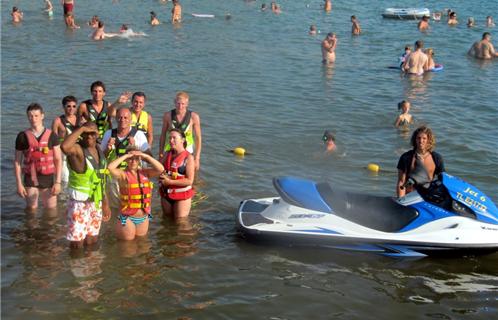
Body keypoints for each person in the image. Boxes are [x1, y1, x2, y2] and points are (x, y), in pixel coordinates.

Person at [61, 122, 111, 249]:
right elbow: (64, 147)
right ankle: (76, 266)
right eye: (86, 134)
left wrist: (105, 203)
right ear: (81, 135)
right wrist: (82, 128)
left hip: (95, 203)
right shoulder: (78, 149)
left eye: (92, 133)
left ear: (97, 134)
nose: (89, 136)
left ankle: (91, 267)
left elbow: (100, 179)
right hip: (79, 204)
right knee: (77, 243)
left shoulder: (99, 150)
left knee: (92, 241)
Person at [107, 148, 164, 240]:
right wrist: (126, 156)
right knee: (129, 249)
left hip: (143, 217)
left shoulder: (145, 173)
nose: (133, 161)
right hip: (127, 218)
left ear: (139, 160)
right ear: (126, 160)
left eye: (136, 159)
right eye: (130, 159)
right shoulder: (122, 174)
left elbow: (161, 169)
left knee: (142, 245)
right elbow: (110, 168)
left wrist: (145, 156)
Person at [14, 103, 62, 211]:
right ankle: (31, 228)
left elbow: (58, 160)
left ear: (42, 116)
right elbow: (17, 162)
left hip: (48, 177)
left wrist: (58, 182)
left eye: (36, 115)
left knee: (51, 210)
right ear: (27, 117)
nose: (33, 119)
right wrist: (19, 184)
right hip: (30, 177)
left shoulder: (52, 136)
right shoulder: (22, 136)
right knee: (32, 209)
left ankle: (48, 228)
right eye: (30, 116)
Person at [101, 107, 151, 208]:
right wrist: (108, 148)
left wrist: (135, 146)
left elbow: (149, 157)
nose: (122, 120)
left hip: (132, 178)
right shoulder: (109, 134)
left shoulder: (139, 135)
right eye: (119, 117)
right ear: (116, 119)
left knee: (133, 207)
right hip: (114, 178)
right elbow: (102, 158)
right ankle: (115, 223)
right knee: (115, 208)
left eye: (125, 117)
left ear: (130, 120)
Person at [396, 126, 445, 198]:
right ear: (415, 139)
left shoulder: (437, 158)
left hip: (426, 198)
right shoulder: (406, 157)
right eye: (418, 138)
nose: (421, 141)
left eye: (424, 138)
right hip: (409, 197)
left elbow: (443, 181)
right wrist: (401, 200)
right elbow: (401, 182)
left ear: (429, 140)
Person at [159, 92, 202, 171]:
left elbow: (198, 138)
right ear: (174, 102)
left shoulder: (194, 117)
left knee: (189, 174)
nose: (180, 106)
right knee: (165, 172)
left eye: (183, 104)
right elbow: (163, 135)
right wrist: (161, 153)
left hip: (187, 149)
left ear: (187, 104)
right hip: (170, 148)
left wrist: (197, 158)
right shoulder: (168, 115)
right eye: (178, 103)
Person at [159, 129, 195, 219]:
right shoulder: (167, 154)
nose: (171, 140)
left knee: (180, 224)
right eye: (169, 138)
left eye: (174, 138)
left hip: (182, 196)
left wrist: (170, 182)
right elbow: (157, 169)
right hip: (165, 195)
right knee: (166, 221)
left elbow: (190, 181)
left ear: (182, 140)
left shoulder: (189, 157)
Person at [52, 96, 79, 185]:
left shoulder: (80, 119)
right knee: (65, 180)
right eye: (69, 106)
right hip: (63, 155)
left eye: (74, 106)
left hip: (77, 153)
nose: (71, 109)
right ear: (63, 107)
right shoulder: (58, 121)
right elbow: (53, 141)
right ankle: (62, 198)